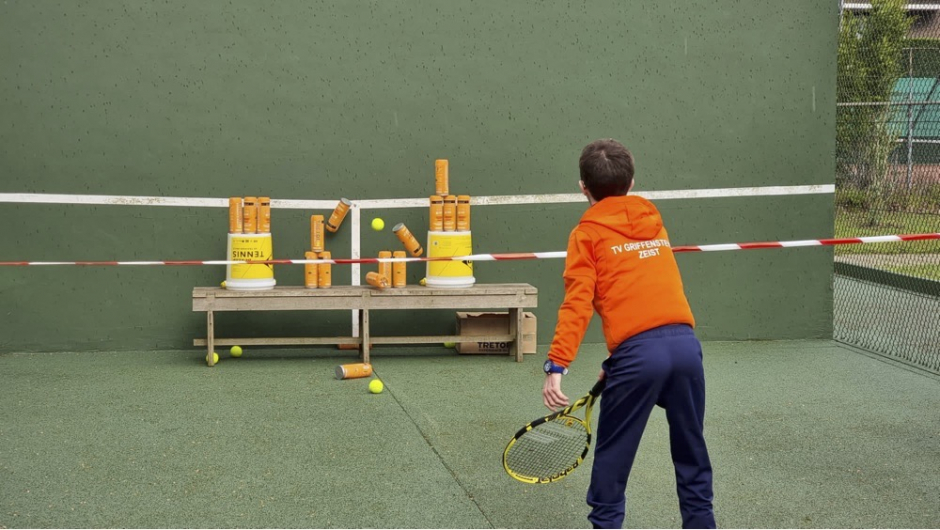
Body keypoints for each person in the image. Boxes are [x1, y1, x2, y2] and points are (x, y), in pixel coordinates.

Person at [542, 138, 715, 529]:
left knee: (612, 459)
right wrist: (615, 360)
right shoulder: (654, 220)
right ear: (632, 182)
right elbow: (645, 293)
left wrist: (557, 365)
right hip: (686, 349)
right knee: (692, 452)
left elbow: (578, 303)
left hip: (639, 357)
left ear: (582, 187)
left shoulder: (585, 235)